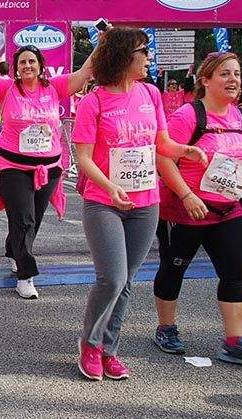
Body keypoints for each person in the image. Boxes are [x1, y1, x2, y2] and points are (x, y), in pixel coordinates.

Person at [72, 28, 206, 382]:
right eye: (143, 51)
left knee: (127, 280)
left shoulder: (150, 93)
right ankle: (90, 344)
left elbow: (162, 144)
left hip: (146, 202)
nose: (149, 58)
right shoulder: (94, 102)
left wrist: (186, 150)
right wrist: (110, 186)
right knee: (112, 278)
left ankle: (109, 349)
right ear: (122, 55)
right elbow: (83, 158)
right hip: (104, 202)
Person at [152, 52, 242, 367]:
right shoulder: (188, 115)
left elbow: (236, 161)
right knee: (173, 268)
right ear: (205, 80)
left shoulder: (239, 116)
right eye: (224, 74)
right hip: (185, 210)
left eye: (237, 73)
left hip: (227, 211)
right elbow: (163, 157)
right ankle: (166, 328)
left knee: (235, 272)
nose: (233, 80)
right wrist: (187, 195)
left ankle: (235, 341)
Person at [0, 32, 97, 299]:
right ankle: (25, 275)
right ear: (16, 67)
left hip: (49, 169)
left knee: (33, 219)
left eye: (32, 61)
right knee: (24, 218)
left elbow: (86, 72)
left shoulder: (55, 87)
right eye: (22, 62)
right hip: (12, 167)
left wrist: (102, 41)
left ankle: (14, 249)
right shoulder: (6, 88)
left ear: (41, 65)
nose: (27, 66)